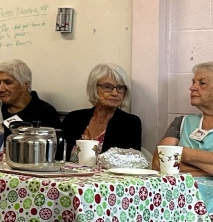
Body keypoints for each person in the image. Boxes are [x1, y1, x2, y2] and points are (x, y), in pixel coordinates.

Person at [0, 59, 60, 150]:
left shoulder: (45, 112)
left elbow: (54, 153)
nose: (1, 89)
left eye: (8, 82)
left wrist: (2, 152)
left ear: (25, 84)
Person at [155, 62, 213, 205]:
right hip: (175, 200)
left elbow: (169, 157)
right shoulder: (181, 122)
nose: (192, 87)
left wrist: (180, 154)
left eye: (202, 83)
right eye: (193, 82)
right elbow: (158, 163)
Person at [61, 63, 141, 161]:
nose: (115, 93)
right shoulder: (73, 118)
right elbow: (58, 157)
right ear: (94, 88)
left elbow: (130, 162)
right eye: (107, 87)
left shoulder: (130, 123)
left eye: (120, 88)